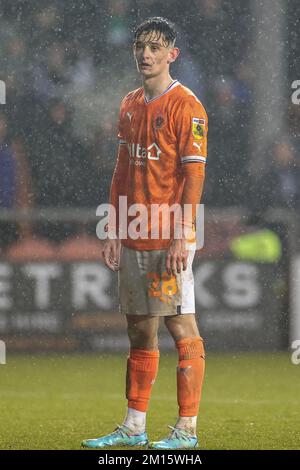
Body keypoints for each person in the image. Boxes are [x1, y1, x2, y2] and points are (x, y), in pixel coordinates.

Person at [82, 17, 208, 450]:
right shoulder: (130, 103)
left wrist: (182, 234)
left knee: (180, 324)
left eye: (155, 47)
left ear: (172, 53)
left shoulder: (187, 106)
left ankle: (186, 430)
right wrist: (113, 227)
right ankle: (135, 427)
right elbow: (121, 172)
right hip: (133, 231)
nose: (146, 53)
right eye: (141, 45)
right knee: (139, 330)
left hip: (169, 235)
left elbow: (194, 177)